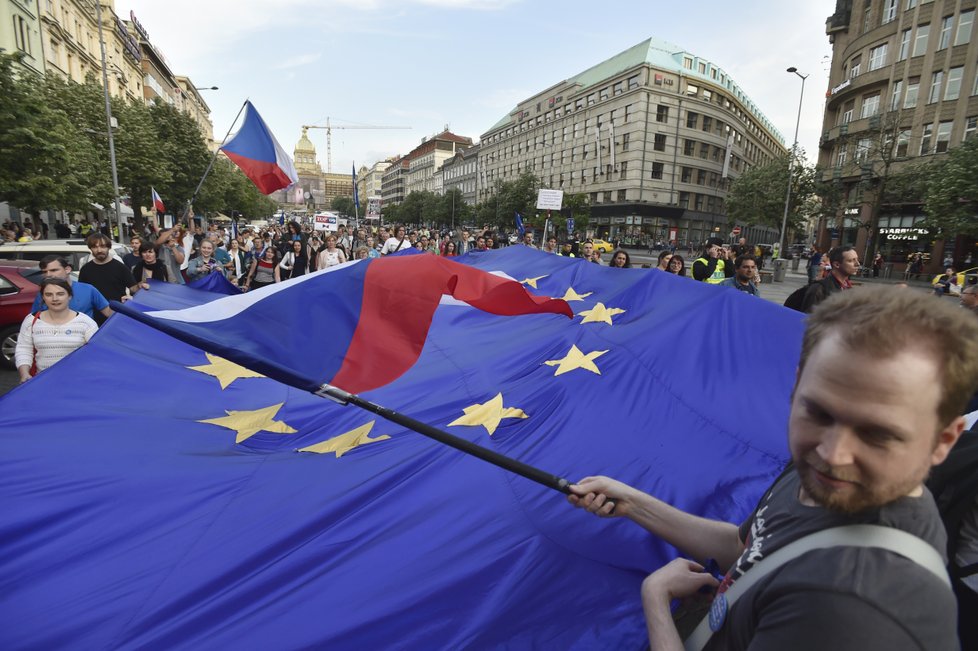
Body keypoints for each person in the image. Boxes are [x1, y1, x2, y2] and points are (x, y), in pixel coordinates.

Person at [569, 286, 978, 651]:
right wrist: (633, 505)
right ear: (798, 383)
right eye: (817, 412)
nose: (833, 453)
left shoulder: (853, 609)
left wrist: (655, 600)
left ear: (944, 440)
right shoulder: (819, 478)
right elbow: (744, 547)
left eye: (877, 434)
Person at [15, 278, 98, 383]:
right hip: (42, 382)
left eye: (60, 294)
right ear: (43, 297)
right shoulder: (31, 321)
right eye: (49, 294)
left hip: (77, 382)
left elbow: (97, 352)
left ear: (69, 296)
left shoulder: (85, 322)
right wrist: (24, 373)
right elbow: (23, 349)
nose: (55, 298)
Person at [79, 233, 145, 324]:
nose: (99, 250)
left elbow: (133, 288)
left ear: (109, 247)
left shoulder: (120, 267)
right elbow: (82, 293)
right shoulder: (85, 269)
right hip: (93, 318)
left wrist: (141, 286)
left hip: (117, 314)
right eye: (95, 247)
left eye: (102, 246)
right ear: (90, 249)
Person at [31, 255, 112, 321]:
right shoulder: (43, 294)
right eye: (45, 272)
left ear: (67, 269)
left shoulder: (88, 289)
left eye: (54, 270)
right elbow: (34, 319)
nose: (48, 275)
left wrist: (124, 305)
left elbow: (108, 312)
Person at [801, 245, 859, 313]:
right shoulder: (819, 289)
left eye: (857, 259)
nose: (857, 264)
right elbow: (808, 318)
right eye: (851, 261)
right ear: (837, 264)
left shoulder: (848, 288)